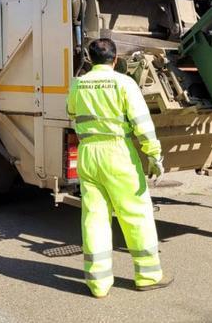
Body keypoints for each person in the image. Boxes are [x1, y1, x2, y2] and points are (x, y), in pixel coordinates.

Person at [66, 38, 173, 298]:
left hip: (89, 153)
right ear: (115, 60)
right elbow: (142, 123)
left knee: (94, 217)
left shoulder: (78, 84)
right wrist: (154, 155)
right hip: (118, 153)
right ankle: (147, 275)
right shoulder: (124, 83)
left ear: (90, 60)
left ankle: (98, 283)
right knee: (136, 214)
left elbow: (71, 114)